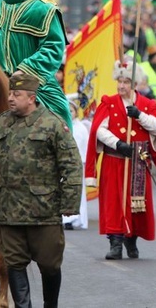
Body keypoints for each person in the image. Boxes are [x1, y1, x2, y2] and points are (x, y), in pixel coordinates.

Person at [0, 74, 83, 308]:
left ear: (31, 98)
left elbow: (72, 165)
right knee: (14, 263)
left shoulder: (52, 125)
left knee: (50, 264)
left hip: (43, 212)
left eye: (16, 95)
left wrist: (69, 203)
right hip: (9, 211)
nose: (10, 98)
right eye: (10, 93)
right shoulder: (3, 123)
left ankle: (50, 304)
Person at [85, 58, 156, 260]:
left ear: (134, 84)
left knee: (137, 204)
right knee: (113, 203)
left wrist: (140, 115)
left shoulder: (146, 104)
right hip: (114, 159)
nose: (121, 86)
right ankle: (115, 243)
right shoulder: (109, 102)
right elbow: (98, 130)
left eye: (126, 82)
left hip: (138, 163)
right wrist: (117, 143)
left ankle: (131, 240)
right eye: (119, 81)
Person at [62, 97, 90, 231]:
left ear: (76, 112)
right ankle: (65, 218)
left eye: (71, 111)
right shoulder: (62, 126)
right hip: (64, 164)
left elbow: (84, 146)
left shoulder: (81, 129)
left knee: (78, 190)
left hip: (78, 164)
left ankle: (76, 218)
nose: (69, 113)